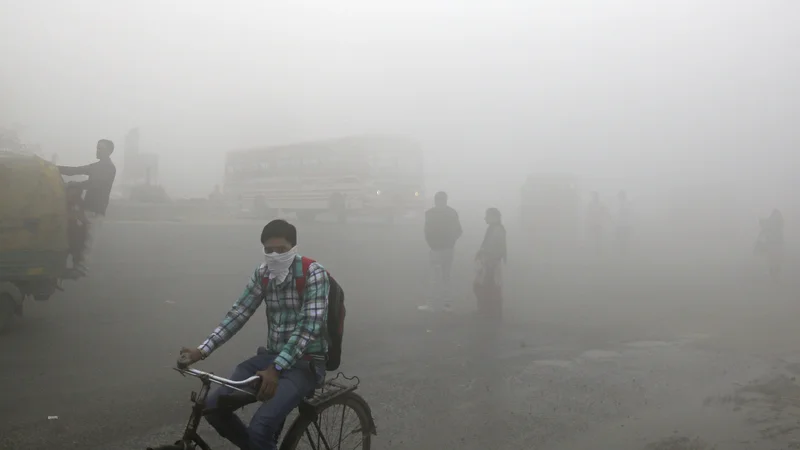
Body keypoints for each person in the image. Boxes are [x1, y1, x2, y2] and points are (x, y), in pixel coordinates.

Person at [178, 219, 329, 450]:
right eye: (269, 250)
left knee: (261, 427)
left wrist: (277, 368)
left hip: (305, 365)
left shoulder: (313, 274)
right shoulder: (263, 273)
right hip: (271, 359)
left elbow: (309, 326)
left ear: (294, 248)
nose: (275, 255)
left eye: (282, 250)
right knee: (213, 406)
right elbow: (239, 313)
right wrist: (202, 350)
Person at [58, 139, 117, 270]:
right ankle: (75, 263)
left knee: (87, 241)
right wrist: (54, 168)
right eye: (97, 147)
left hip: (96, 210)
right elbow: (74, 170)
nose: (97, 150)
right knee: (76, 236)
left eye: (100, 148)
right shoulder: (96, 167)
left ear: (108, 151)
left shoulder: (109, 168)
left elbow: (95, 184)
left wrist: (75, 184)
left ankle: (80, 266)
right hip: (87, 208)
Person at [420, 191, 462, 312]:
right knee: (446, 277)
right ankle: (447, 304)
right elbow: (459, 231)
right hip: (448, 249)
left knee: (434, 277)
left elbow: (427, 231)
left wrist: (432, 244)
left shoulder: (430, 213)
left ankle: (431, 304)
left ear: (435, 200)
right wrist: (451, 241)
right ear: (446, 200)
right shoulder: (452, 213)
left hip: (436, 250)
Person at [474, 208, 506, 322]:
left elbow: (496, 247)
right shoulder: (494, 228)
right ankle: (490, 312)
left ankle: (489, 312)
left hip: (491, 263)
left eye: (487, 216)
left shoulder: (496, 229)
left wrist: (487, 259)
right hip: (490, 262)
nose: (485, 218)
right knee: (489, 287)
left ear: (494, 217)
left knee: (486, 287)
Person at [65, 182, 89, 277]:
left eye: (76, 191)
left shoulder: (79, 201)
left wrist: (84, 222)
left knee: (78, 247)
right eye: (71, 190)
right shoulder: (62, 201)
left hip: (75, 230)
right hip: (66, 230)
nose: (73, 193)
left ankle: (77, 265)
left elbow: (81, 215)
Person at [754, 209, 784, 280]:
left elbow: (765, 223)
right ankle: (775, 274)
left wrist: (759, 220)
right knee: (774, 259)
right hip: (775, 244)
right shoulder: (778, 222)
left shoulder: (773, 222)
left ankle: (774, 275)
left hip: (772, 244)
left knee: (772, 259)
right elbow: (766, 224)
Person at [585, 191, 607, 255]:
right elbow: (588, 213)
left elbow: (604, 212)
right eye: (593, 196)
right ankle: (593, 250)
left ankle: (598, 250)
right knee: (592, 237)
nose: (594, 197)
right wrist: (587, 221)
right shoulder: (590, 204)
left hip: (599, 223)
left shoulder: (600, 204)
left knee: (598, 238)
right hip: (592, 223)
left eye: (595, 196)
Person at [614, 190, 633, 255]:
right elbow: (616, 213)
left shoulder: (627, 203)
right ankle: (621, 250)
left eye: (621, 195)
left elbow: (629, 212)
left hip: (626, 224)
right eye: (619, 196)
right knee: (619, 237)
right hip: (619, 223)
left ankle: (625, 251)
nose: (620, 197)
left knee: (625, 238)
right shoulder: (618, 203)